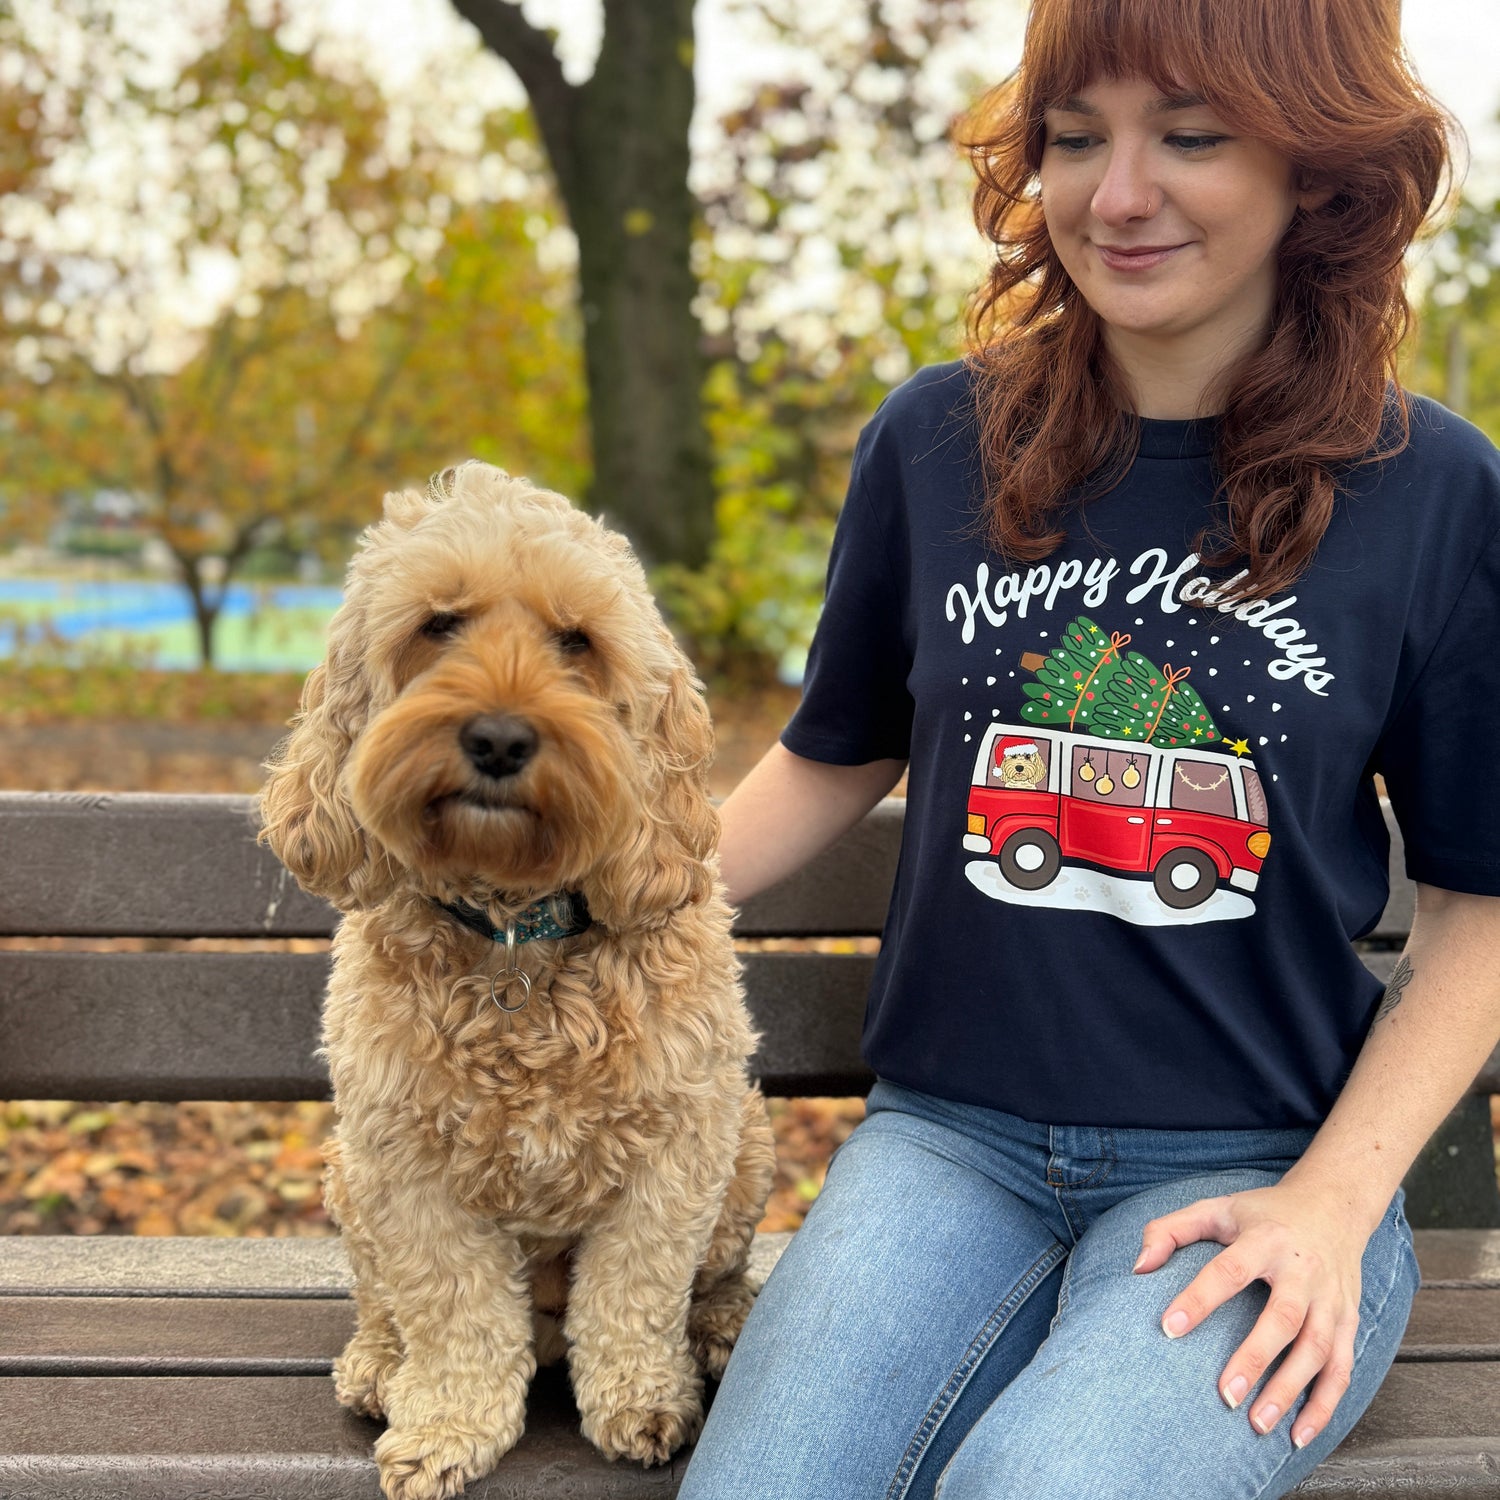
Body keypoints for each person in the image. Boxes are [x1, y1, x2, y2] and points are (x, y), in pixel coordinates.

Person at [676, 0, 1500, 1497]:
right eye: (1075, 140)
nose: (1117, 196)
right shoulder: (936, 440)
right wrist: (611, 906)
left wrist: (1329, 1206)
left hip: (1256, 1171)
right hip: (947, 1148)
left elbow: (1479, 912)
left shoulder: (1430, 489)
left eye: (1189, 137)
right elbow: (832, 755)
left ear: (1316, 171)